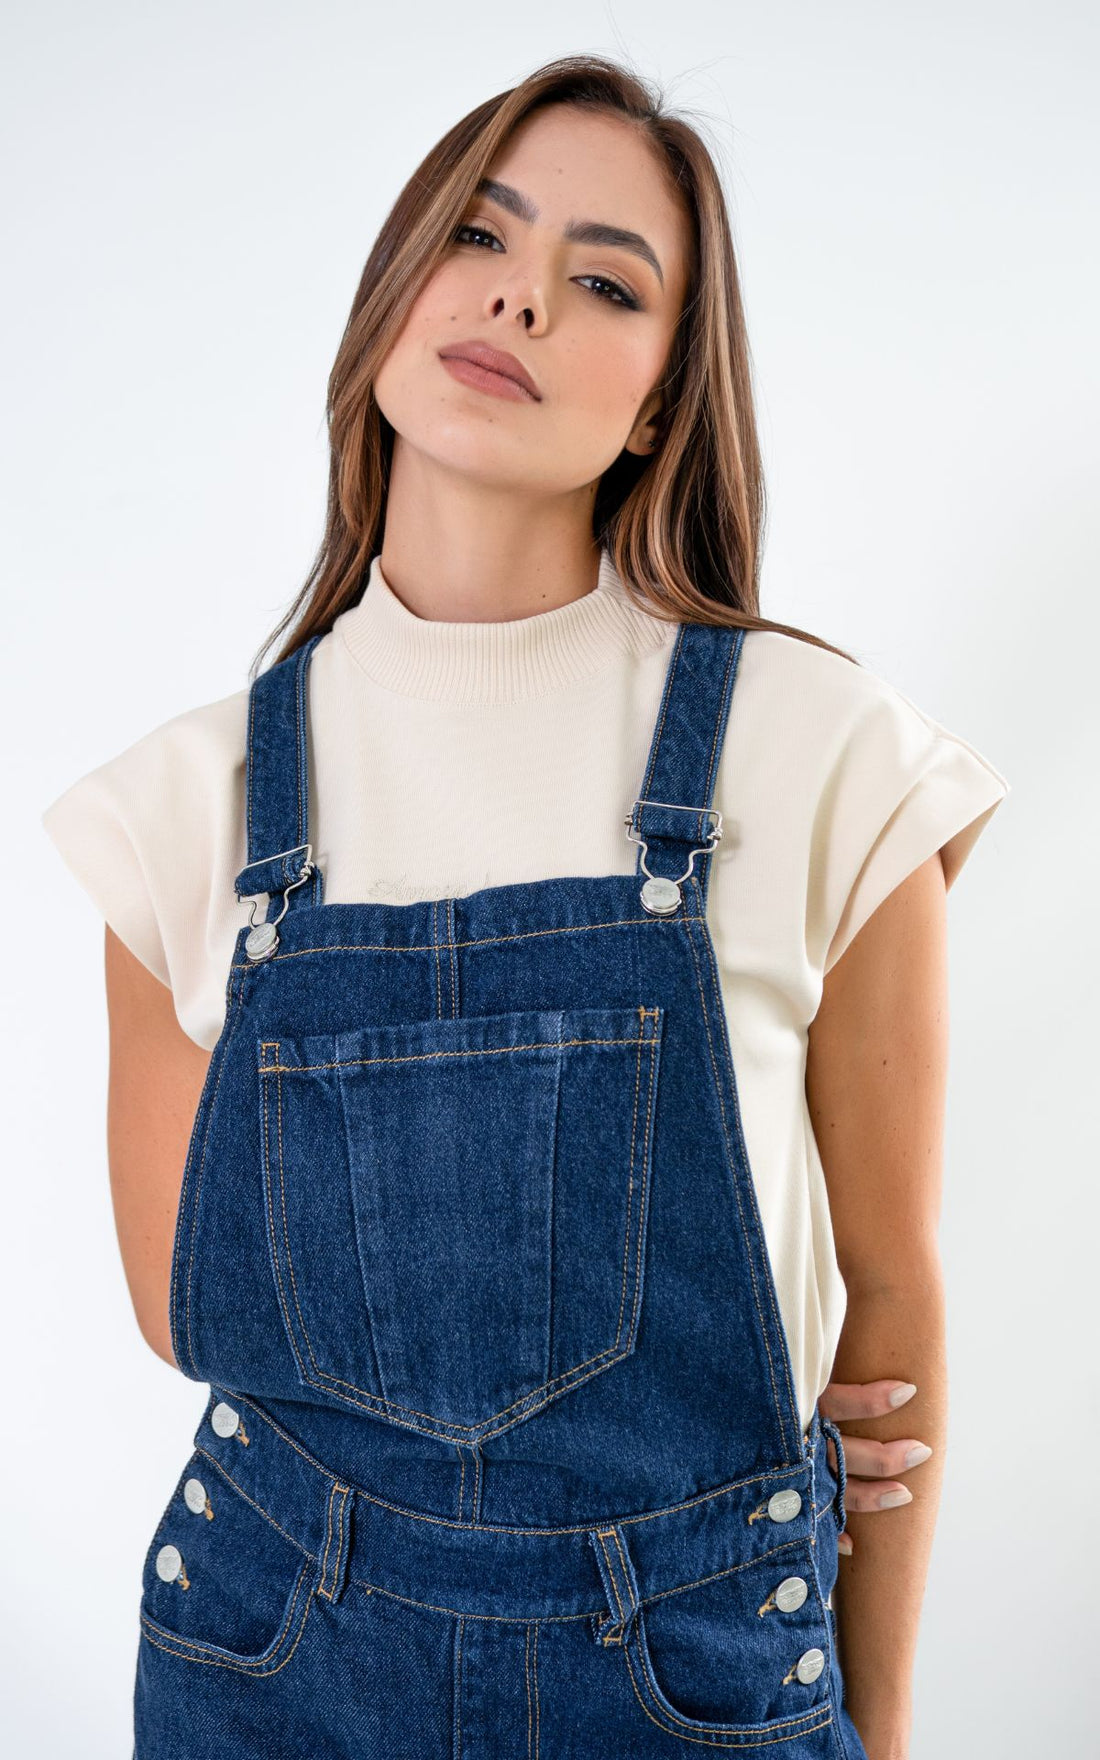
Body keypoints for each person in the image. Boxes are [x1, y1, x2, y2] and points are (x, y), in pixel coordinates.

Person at [41, 53, 1009, 1760]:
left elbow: (890, 1302)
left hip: (699, 1683)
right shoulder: (181, 811)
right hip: (273, 1665)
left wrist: (882, 1721)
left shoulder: (826, 756)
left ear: (657, 407)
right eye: (480, 236)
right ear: (392, 292)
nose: (520, 296)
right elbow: (194, 1321)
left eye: (606, 282)